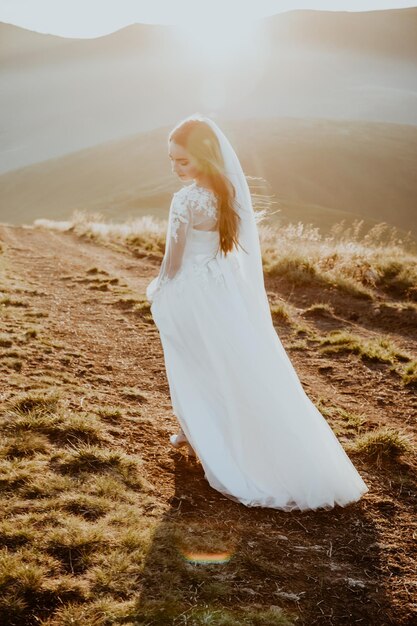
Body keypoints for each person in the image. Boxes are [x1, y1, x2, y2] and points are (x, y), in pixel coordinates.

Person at [146, 113, 369, 511]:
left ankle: (200, 433)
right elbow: (227, 249)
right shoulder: (229, 191)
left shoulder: (185, 200)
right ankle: (204, 430)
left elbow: (173, 261)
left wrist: (158, 290)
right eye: (172, 161)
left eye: (182, 161)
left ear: (205, 156)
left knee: (193, 362)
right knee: (232, 364)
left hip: (192, 293)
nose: (176, 169)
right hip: (223, 290)